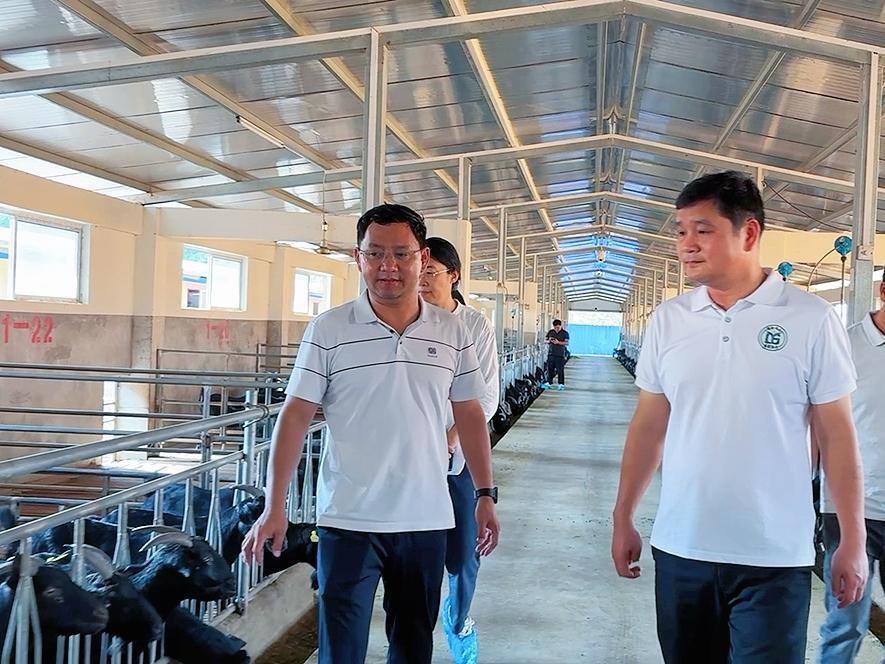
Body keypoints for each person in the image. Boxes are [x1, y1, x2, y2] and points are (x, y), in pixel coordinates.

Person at [611, 171, 866, 663]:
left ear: (749, 233)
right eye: (681, 231)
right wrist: (623, 516)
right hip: (683, 546)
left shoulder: (810, 319)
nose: (686, 244)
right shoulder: (670, 320)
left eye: (702, 230)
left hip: (774, 555)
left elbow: (837, 436)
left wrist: (851, 540)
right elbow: (648, 427)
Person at [241, 204, 501, 664]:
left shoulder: (453, 331)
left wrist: (484, 493)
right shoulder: (329, 329)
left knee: (412, 648)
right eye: (375, 253)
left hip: (425, 518)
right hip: (348, 519)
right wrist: (274, 504)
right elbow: (296, 414)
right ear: (357, 257)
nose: (388, 266)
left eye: (401, 253)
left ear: (422, 258)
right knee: (340, 651)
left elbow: (470, 413)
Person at [418, 237, 499, 664]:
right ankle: (416, 630)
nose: (422, 279)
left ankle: (460, 616)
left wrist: (452, 437)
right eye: (419, 271)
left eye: (431, 272)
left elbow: (487, 397)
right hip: (415, 463)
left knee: (465, 553)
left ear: (454, 276)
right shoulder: (408, 320)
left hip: (459, 461)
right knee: (419, 555)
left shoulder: (474, 326)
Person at [817, 277, 885, 663]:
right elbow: (817, 425)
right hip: (849, 509)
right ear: (883, 291)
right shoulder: (845, 345)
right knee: (846, 624)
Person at [543, 319, 569, 390]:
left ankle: (561, 384)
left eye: (558, 327)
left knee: (560, 370)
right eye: (555, 327)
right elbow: (545, 340)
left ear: (561, 326)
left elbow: (567, 343)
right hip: (551, 353)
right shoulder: (551, 332)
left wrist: (558, 342)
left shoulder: (565, 333)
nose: (556, 329)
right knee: (550, 369)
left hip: (560, 354)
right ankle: (549, 382)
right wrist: (549, 341)